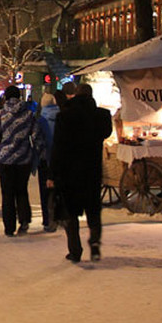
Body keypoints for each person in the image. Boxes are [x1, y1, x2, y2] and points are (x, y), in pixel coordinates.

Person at [49, 83, 113, 262]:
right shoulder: (102, 116)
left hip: (70, 172)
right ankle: (94, 243)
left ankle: (75, 249)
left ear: (76, 95)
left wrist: (52, 173)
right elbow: (106, 133)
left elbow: (58, 147)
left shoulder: (65, 116)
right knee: (93, 210)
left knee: (71, 212)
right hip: (92, 169)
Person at [0, 85, 42, 236]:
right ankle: (24, 220)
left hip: (5, 160)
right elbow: (36, 135)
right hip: (23, 159)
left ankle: (9, 227)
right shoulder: (28, 114)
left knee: (7, 194)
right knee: (21, 191)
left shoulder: (1, 114)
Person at [36, 91, 62, 232]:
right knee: (58, 189)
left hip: (45, 160)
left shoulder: (41, 120)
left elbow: (38, 141)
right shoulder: (62, 116)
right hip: (60, 159)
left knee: (45, 191)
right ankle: (60, 217)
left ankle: (48, 220)